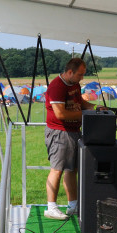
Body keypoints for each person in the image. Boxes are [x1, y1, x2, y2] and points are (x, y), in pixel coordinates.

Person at [44, 57, 95, 220]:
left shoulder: (74, 84)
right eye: (80, 74)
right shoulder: (56, 86)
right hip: (59, 132)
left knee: (72, 169)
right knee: (57, 169)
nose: (82, 78)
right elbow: (60, 114)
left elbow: (79, 101)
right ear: (70, 72)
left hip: (73, 131)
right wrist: (85, 114)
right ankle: (51, 206)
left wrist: (95, 108)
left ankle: (73, 205)